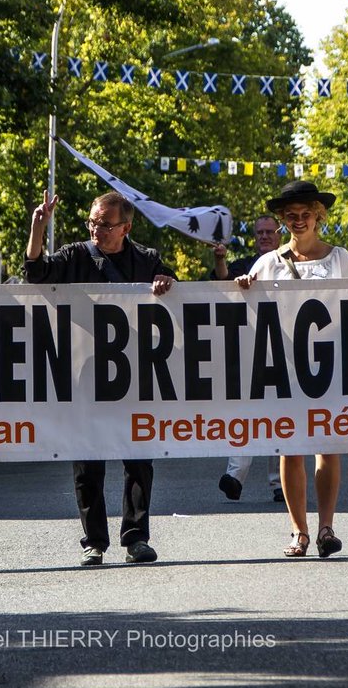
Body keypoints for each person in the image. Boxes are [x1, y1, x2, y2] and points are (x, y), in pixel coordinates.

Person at [235, 180, 348, 559]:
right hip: (285, 368)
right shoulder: (268, 263)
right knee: (290, 448)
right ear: (282, 220)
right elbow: (245, 314)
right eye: (291, 216)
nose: (298, 221)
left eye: (305, 214)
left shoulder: (341, 258)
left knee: (328, 444)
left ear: (319, 216)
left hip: (331, 366)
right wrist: (243, 287)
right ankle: (299, 532)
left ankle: (326, 526)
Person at [24, 189, 175, 566]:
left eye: (105, 225)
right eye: (92, 222)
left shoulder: (147, 260)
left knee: (138, 459)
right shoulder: (75, 256)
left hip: (134, 375)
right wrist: (37, 229)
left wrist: (166, 285)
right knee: (87, 462)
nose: (96, 230)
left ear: (126, 227)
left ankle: (136, 538)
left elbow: (178, 298)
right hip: (84, 376)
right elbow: (36, 274)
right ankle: (94, 541)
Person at [212, 215, 285, 502]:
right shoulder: (245, 265)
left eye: (270, 232)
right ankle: (235, 477)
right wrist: (221, 260)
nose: (265, 236)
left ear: (280, 235)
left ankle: (279, 483)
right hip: (250, 348)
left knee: (281, 417)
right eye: (260, 233)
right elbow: (222, 279)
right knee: (248, 413)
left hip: (286, 352)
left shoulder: (293, 266)